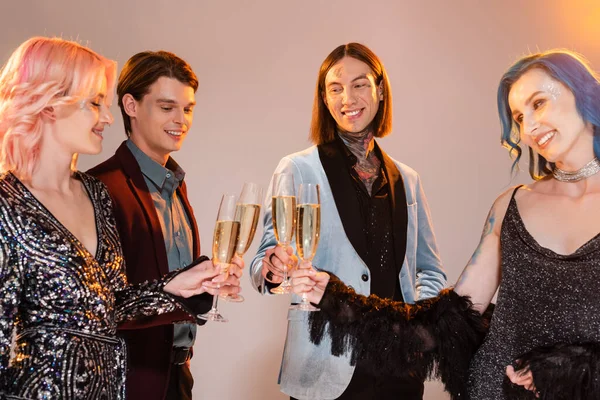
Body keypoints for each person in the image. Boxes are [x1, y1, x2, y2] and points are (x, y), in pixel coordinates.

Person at [292, 49, 600, 400]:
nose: (528, 128)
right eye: (518, 117)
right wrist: (334, 298)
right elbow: (436, 329)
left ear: (585, 93)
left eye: (539, 103)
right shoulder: (510, 206)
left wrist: (575, 368)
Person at [0, 37, 240, 399]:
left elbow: (110, 306)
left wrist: (175, 287)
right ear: (49, 105)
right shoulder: (7, 205)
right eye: (94, 103)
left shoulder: (94, 195)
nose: (109, 117)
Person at [250, 42, 446, 400]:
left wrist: (421, 330)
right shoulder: (296, 168)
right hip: (326, 362)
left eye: (360, 84)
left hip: (399, 367)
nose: (348, 98)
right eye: (335, 88)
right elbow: (263, 264)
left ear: (380, 90)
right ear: (325, 99)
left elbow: (429, 270)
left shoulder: (408, 178)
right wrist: (274, 271)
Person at [88, 50, 243, 400]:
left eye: (188, 109)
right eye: (167, 107)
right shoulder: (99, 187)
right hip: (128, 382)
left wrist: (209, 283)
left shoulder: (177, 185)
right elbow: (96, 305)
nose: (181, 119)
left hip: (178, 376)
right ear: (130, 105)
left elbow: (173, 284)